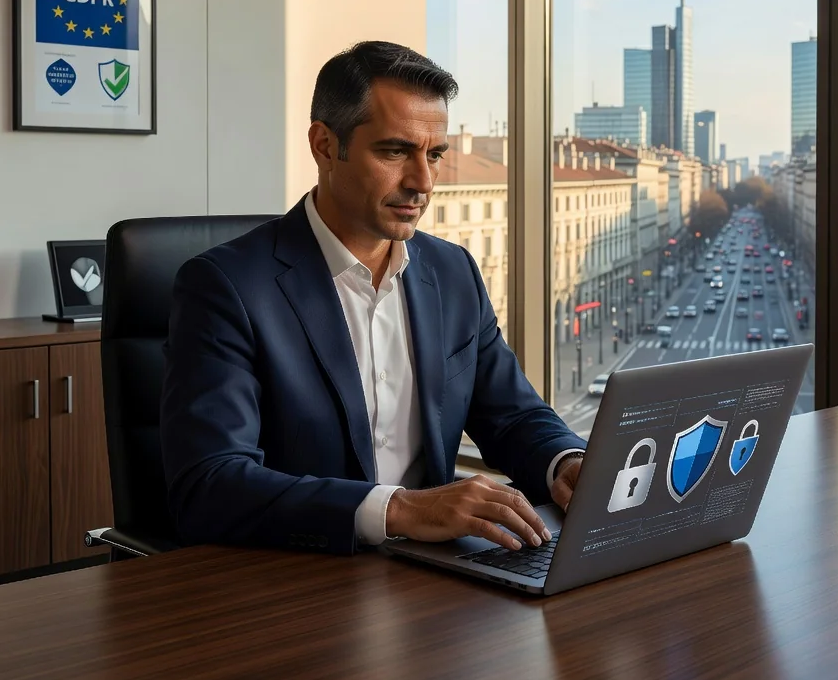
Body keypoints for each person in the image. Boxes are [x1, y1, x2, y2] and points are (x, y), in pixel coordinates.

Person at [160, 41, 586, 556]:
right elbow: (210, 485)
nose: (423, 183)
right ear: (324, 146)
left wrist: (566, 463)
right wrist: (401, 510)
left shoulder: (453, 272)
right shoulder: (226, 286)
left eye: (434, 155)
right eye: (394, 151)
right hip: (295, 579)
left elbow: (513, 417)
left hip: (436, 576)